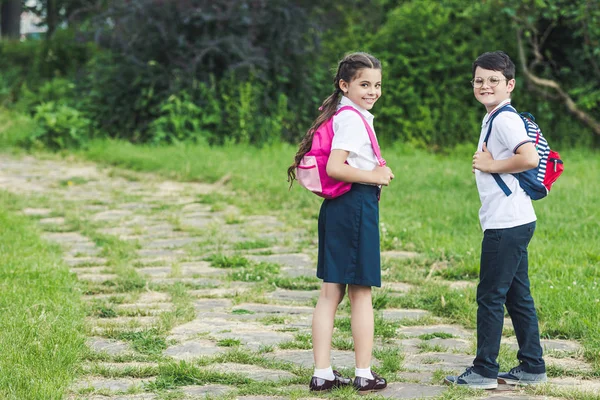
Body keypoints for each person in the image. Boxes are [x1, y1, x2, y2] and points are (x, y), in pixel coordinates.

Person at [287, 52, 394, 393]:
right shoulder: (350, 118)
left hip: (338, 208)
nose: (372, 91)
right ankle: (363, 373)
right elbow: (335, 167)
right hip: (355, 205)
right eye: (364, 84)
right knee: (360, 292)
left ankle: (323, 373)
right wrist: (374, 174)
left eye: (377, 84)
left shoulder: (344, 113)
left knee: (330, 291)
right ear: (344, 85)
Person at [445, 51, 548, 389]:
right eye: (479, 80)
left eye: (493, 80)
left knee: (490, 296)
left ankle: (484, 371)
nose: (485, 85)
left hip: (507, 223)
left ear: (510, 84)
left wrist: (491, 165)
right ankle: (532, 366)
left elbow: (528, 158)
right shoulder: (494, 116)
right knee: (518, 296)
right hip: (513, 219)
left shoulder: (504, 119)